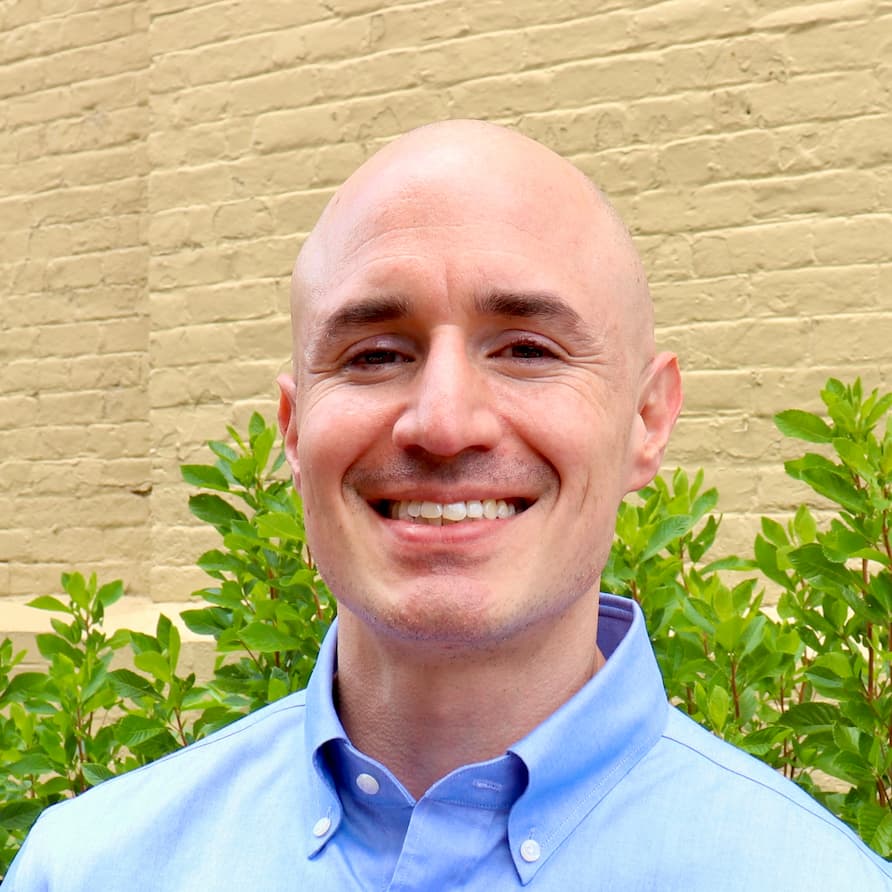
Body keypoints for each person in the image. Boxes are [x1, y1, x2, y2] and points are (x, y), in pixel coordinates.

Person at [5, 120, 891, 890]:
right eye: (375, 355)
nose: (443, 423)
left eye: (527, 350)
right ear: (293, 426)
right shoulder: (88, 869)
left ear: (646, 421)